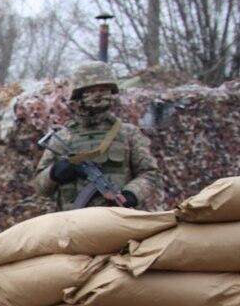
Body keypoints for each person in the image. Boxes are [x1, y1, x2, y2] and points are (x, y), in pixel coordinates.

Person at [34, 61, 163, 211]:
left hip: (117, 219)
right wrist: (54, 173)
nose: (99, 95)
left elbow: (149, 173)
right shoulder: (63, 138)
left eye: (104, 90)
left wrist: (132, 194)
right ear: (79, 95)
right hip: (72, 223)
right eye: (92, 90)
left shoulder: (128, 134)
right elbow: (40, 188)